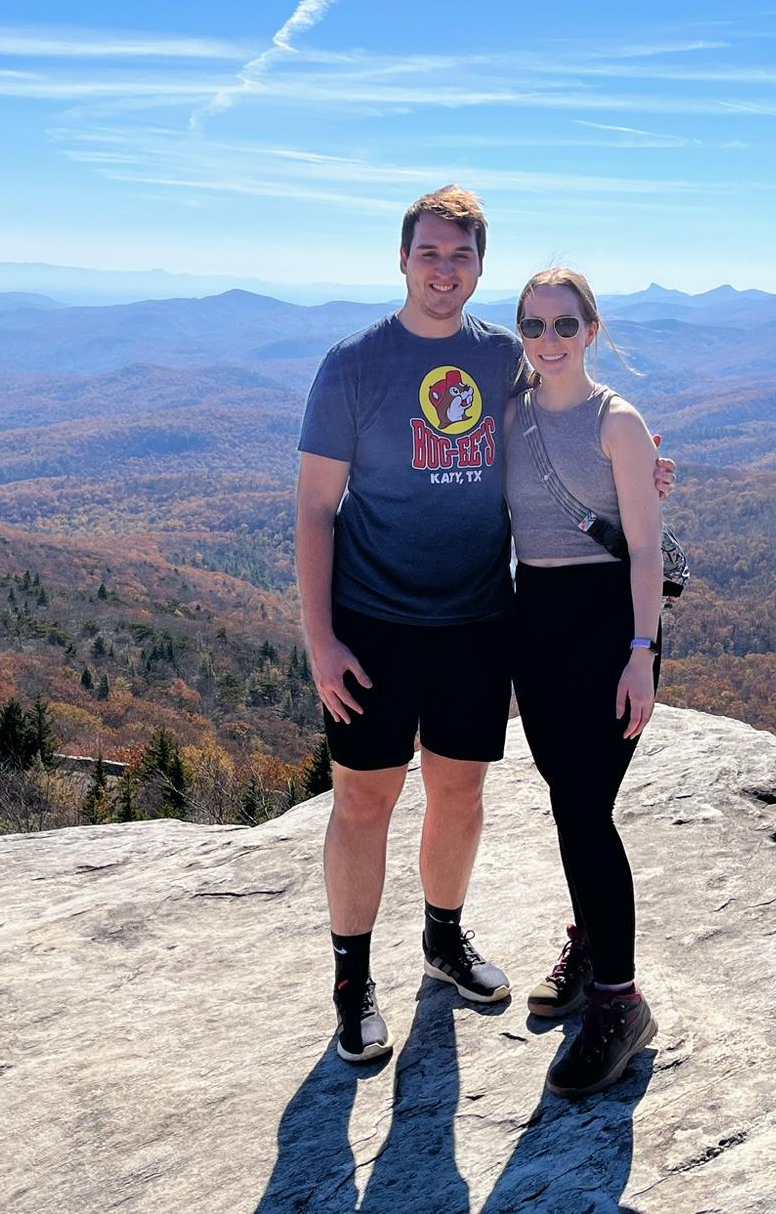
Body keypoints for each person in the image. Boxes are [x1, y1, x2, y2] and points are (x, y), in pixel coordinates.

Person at [296, 188, 672, 1065]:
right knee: (363, 801)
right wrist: (321, 638)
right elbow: (315, 509)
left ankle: (443, 940)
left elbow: (584, 428)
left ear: (478, 268)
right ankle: (352, 983)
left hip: (477, 623)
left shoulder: (506, 362)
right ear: (401, 258)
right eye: (428, 252)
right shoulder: (352, 365)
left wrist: (643, 474)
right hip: (373, 619)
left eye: (459, 256)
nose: (442, 269)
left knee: (459, 793)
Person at [505, 268, 663, 1098]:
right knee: (566, 799)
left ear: (592, 330)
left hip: (607, 629)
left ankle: (619, 999)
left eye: (565, 325)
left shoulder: (620, 424)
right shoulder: (510, 415)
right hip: (538, 625)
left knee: (585, 809)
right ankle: (593, 944)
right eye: (533, 327)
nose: (549, 341)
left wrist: (641, 651)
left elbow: (643, 548)